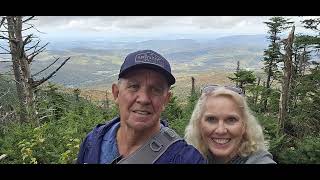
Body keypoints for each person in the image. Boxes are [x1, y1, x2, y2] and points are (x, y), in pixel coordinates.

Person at [77, 50, 205, 164]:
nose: (143, 99)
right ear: (116, 93)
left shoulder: (187, 159)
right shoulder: (93, 141)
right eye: (134, 86)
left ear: (166, 100)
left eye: (155, 89)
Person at [185, 85, 276, 164]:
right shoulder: (191, 157)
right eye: (212, 119)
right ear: (199, 125)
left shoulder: (258, 160)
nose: (221, 130)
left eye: (231, 120)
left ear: (244, 125)